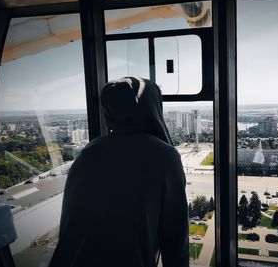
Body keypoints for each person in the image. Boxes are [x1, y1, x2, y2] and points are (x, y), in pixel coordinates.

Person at [49, 77, 189, 267]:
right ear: (154, 107)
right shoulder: (165, 157)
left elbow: (71, 226)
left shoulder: (88, 154)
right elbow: (175, 239)